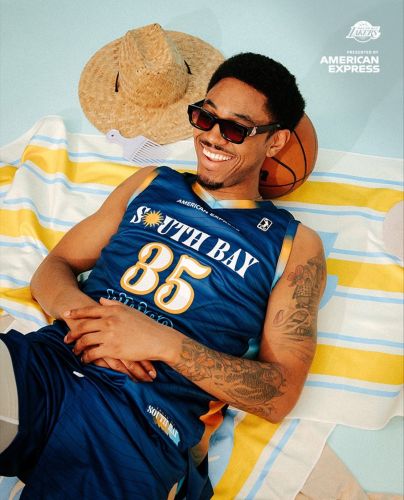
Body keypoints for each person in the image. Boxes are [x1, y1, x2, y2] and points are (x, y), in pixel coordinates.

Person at [0, 52, 326, 499]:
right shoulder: (152, 182)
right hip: (51, 364)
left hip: (143, 423)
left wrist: (161, 342)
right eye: (205, 117)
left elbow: (279, 394)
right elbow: (54, 268)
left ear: (275, 142)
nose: (212, 137)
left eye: (235, 129)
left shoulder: (294, 244)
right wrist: (89, 321)